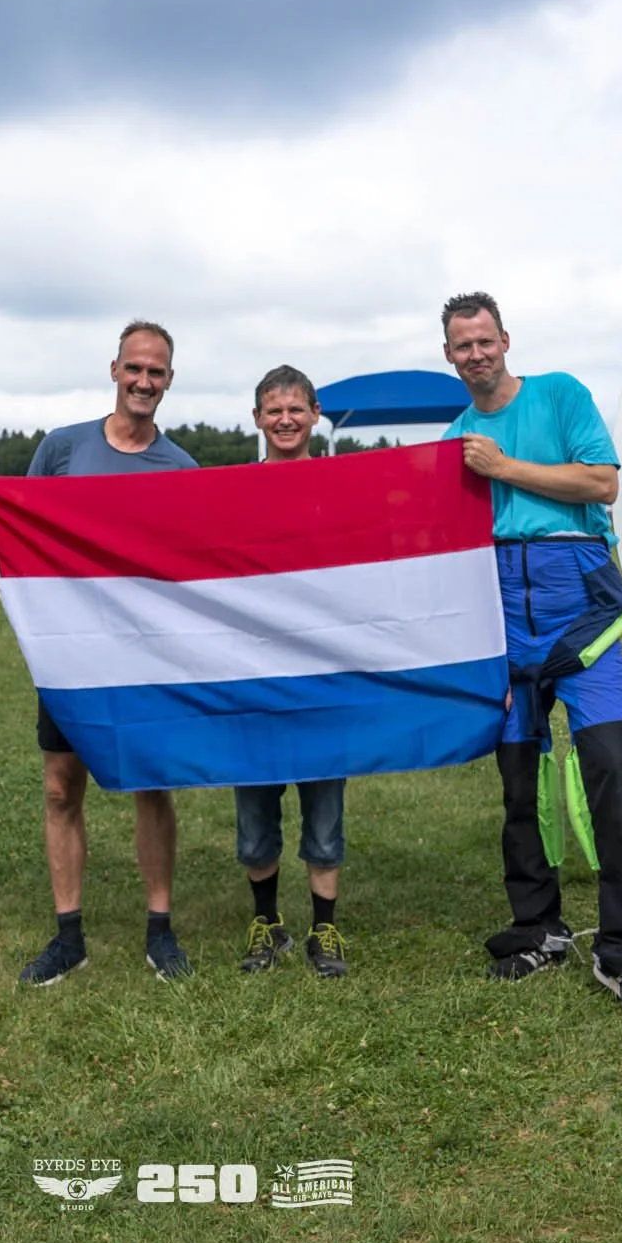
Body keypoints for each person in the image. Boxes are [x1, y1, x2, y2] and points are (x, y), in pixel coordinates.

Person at [439, 291, 622, 1019]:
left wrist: (505, 468)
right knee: (519, 782)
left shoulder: (560, 395)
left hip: (580, 610)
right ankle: (536, 930)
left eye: (484, 340)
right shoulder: (454, 434)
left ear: (505, 340)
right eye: (462, 345)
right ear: (448, 357)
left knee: (608, 770)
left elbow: (601, 482)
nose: (476, 354)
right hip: (503, 620)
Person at [0, 321, 200, 985]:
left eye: (157, 372)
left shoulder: (180, 468)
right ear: (115, 370)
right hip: (70, 652)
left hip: (145, 656)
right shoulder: (62, 449)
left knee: (151, 785)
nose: (145, 381)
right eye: (135, 369)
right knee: (62, 786)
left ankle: (160, 930)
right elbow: (20, 529)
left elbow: (200, 560)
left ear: (169, 380)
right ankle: (69, 936)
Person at [234, 366, 350, 979]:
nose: (285, 420)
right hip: (254, 676)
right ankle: (267, 922)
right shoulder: (235, 491)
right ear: (257, 418)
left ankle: (323, 929)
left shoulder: (341, 484)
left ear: (314, 413)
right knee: (255, 816)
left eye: (296, 409)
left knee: (324, 812)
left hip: (322, 676)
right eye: (273, 410)